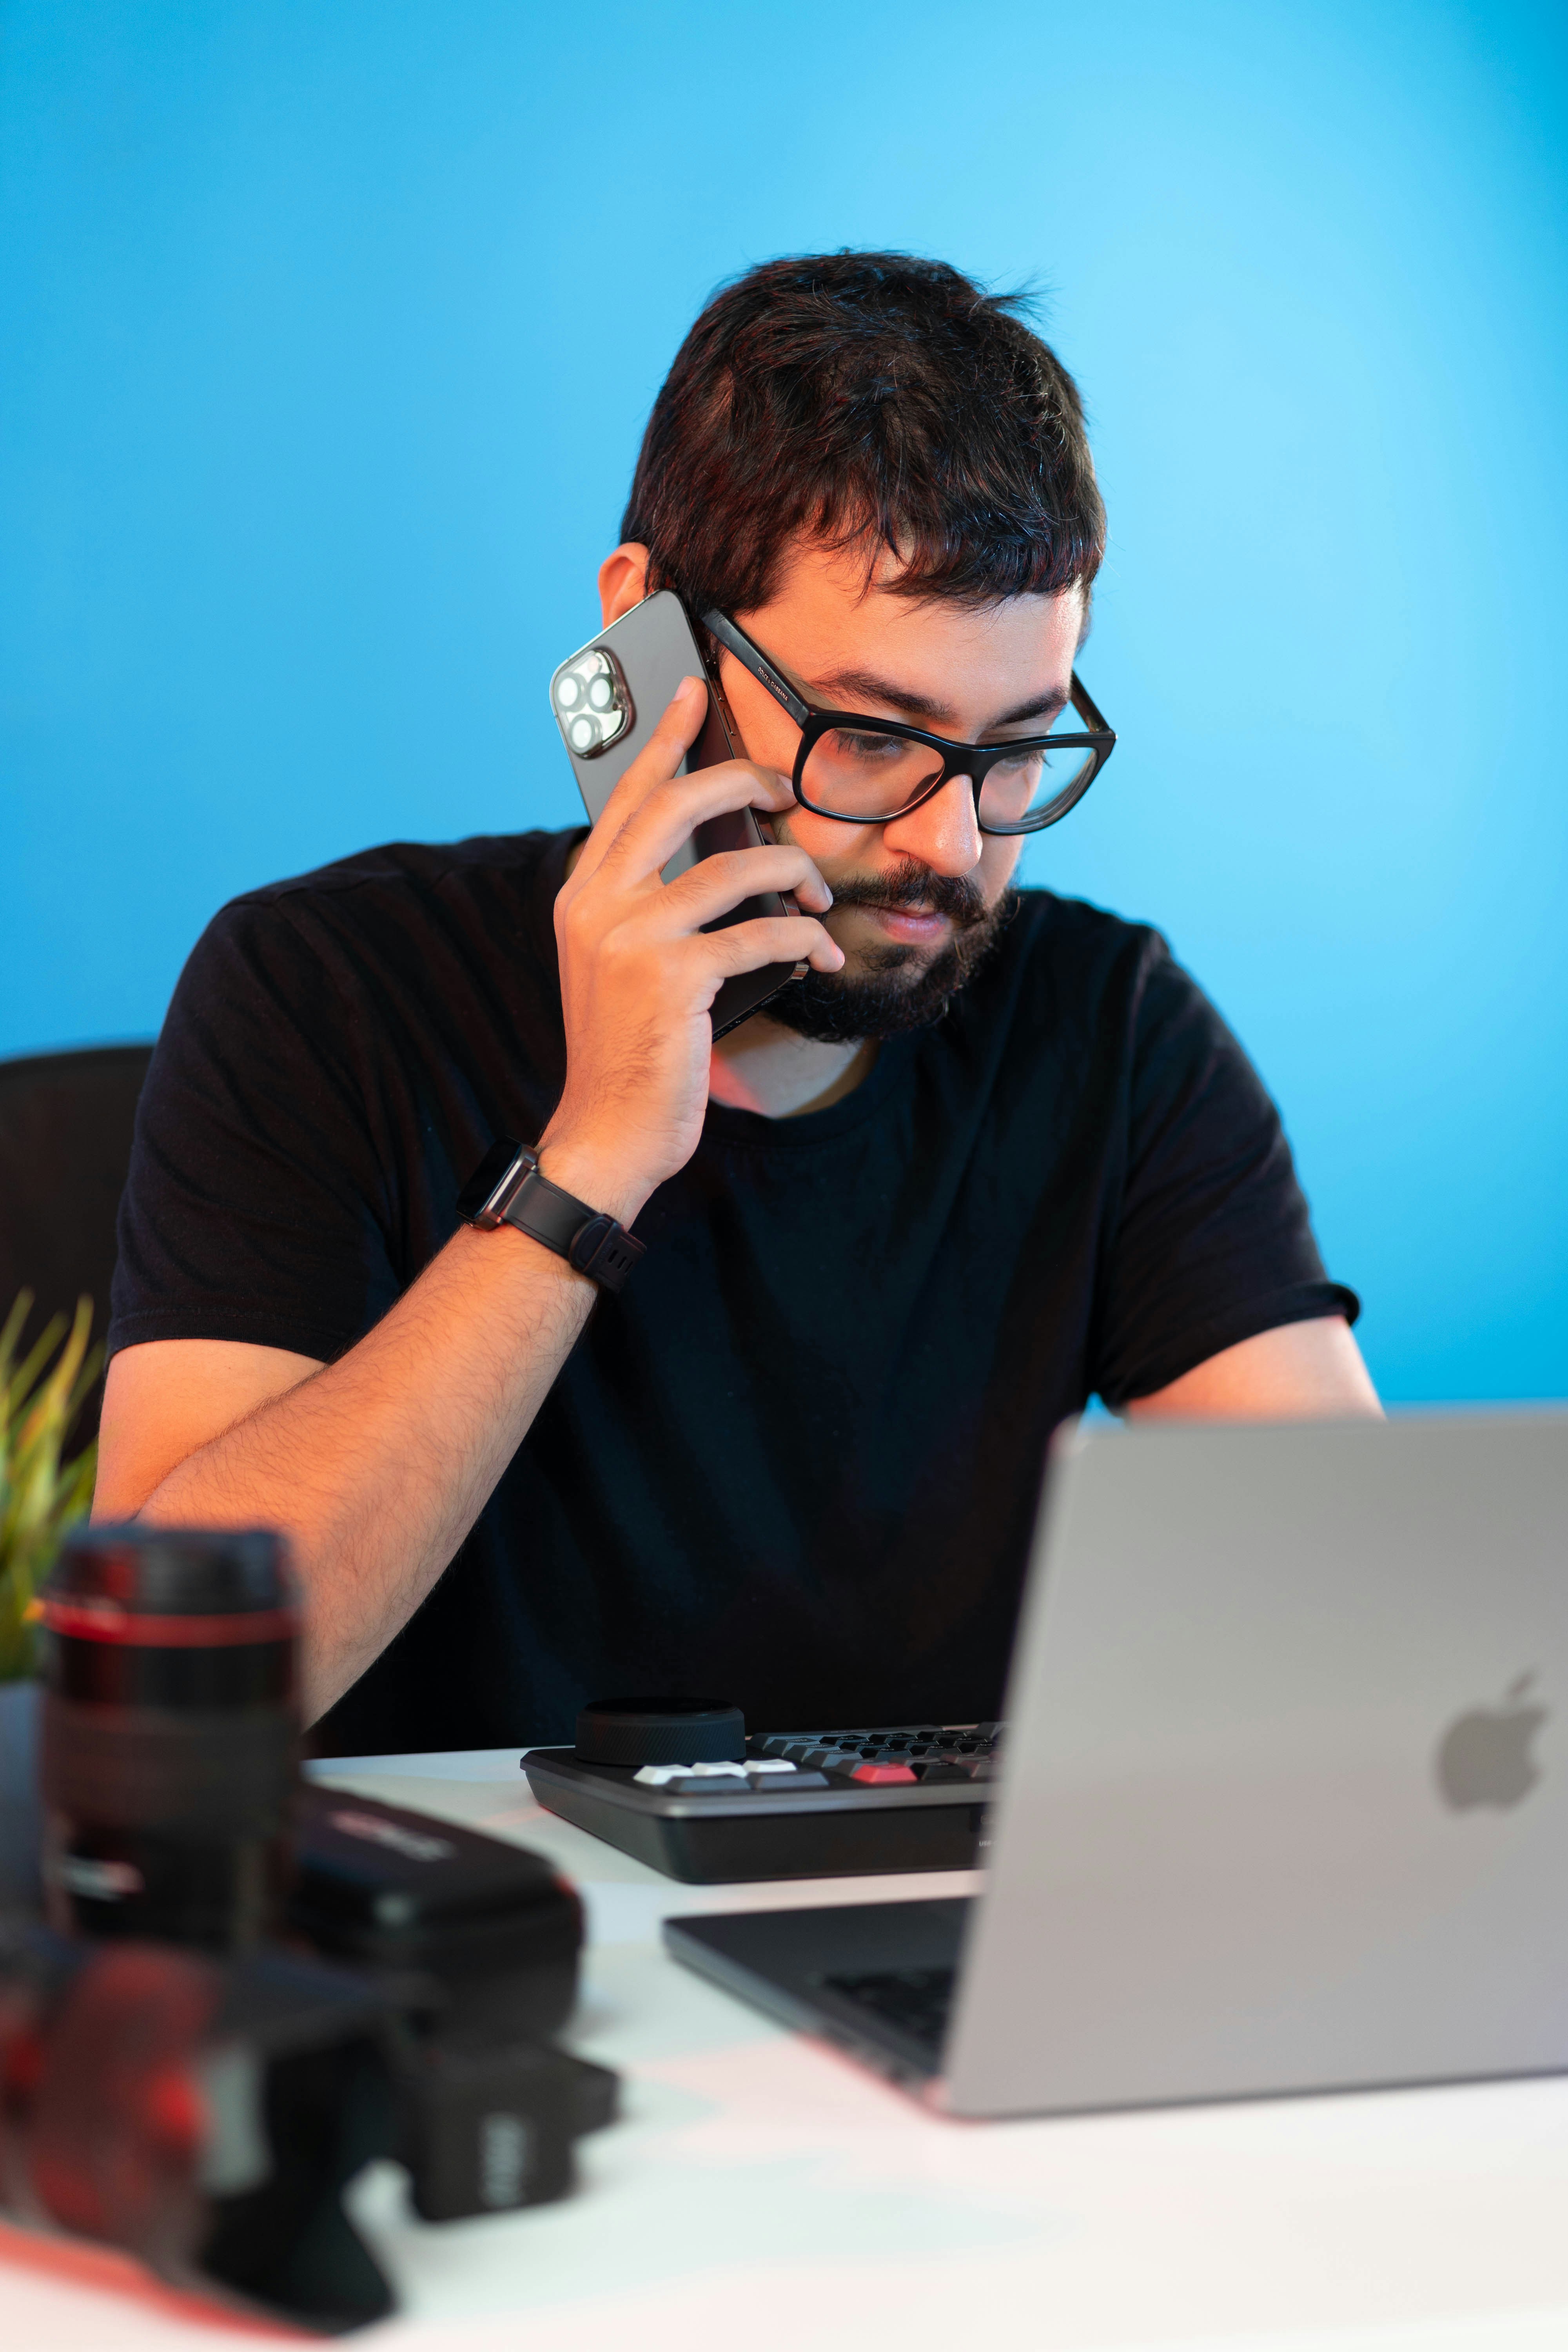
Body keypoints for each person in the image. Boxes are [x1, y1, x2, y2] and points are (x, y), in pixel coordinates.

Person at [94, 252, 1378, 1753]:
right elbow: (166, 1709)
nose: (949, 845)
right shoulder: (322, 993)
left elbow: (1369, 1621)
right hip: (474, 1954)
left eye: (1018, 748)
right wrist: (591, 1165)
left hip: (911, 1946)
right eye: (871, 737)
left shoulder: (1111, 1029)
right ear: (648, 643)